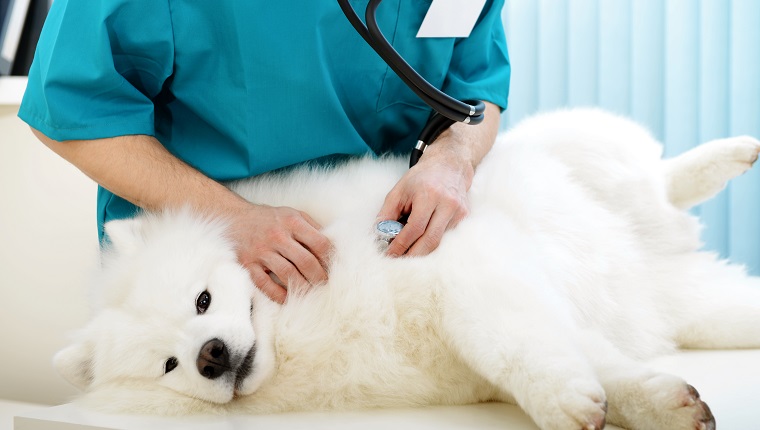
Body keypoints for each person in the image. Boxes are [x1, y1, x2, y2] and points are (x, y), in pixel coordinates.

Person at [18, 0, 511, 304]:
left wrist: (452, 160)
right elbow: (71, 108)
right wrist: (228, 218)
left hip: (386, 272)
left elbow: (476, 88)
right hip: (210, 275)